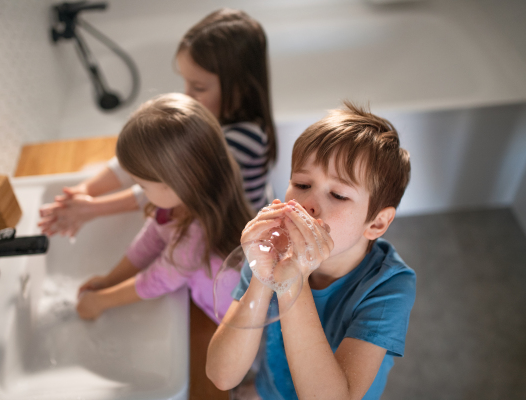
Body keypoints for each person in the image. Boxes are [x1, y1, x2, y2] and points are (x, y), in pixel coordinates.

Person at [206, 102, 416, 400]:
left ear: (377, 223)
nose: (308, 204)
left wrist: (293, 282)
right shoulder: (270, 251)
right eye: (302, 184)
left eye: (338, 194)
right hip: (273, 387)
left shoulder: (389, 287)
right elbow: (221, 375)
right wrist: (261, 276)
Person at [39, 8, 276, 237]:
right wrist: (86, 190)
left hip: (241, 237)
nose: (187, 94)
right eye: (186, 82)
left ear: (239, 87)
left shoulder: (245, 139)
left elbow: (174, 188)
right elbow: (145, 152)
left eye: (199, 87)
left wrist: (92, 209)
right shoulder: (207, 110)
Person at [75, 93, 254, 322]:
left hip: (236, 320)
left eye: (142, 185)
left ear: (174, 185)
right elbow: (151, 239)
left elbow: (158, 280)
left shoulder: (195, 235)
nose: (140, 191)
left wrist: (100, 302)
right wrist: (109, 280)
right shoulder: (185, 200)